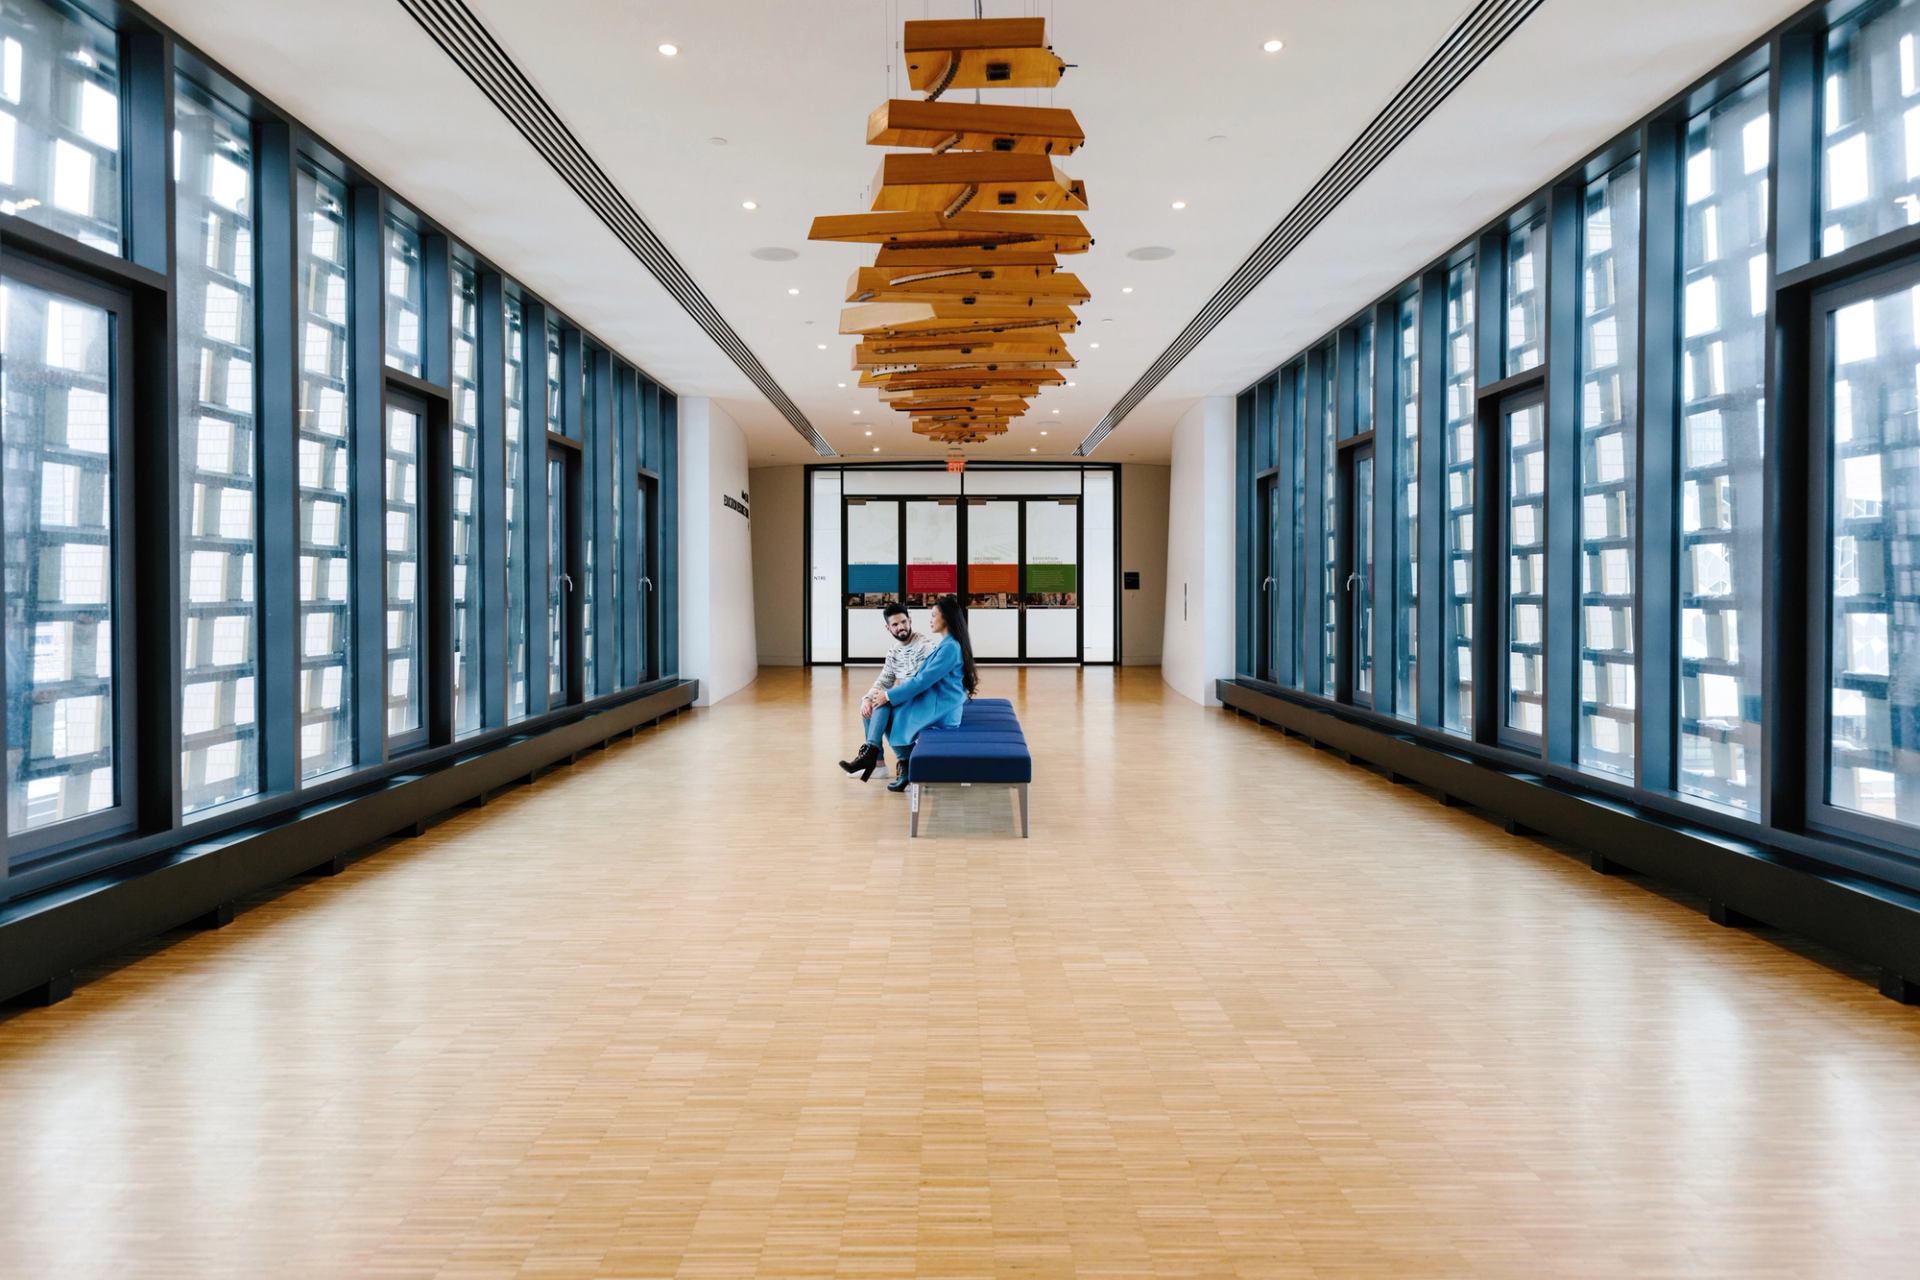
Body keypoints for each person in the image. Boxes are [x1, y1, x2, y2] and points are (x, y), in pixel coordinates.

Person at [870, 594, 978, 793]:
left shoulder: (949, 648)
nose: (930, 620)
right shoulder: (949, 644)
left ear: (945, 618)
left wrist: (888, 695)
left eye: (933, 615)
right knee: (884, 708)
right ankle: (891, 761)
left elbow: (922, 681)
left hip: (943, 709)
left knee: (889, 711)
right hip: (940, 700)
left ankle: (905, 767)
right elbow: (921, 680)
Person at [838, 602, 936, 782]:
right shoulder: (894, 651)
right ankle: (878, 763)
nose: (901, 627)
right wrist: (868, 698)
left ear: (910, 620)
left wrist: (888, 696)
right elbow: (884, 679)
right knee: (869, 701)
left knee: (884, 703)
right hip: (905, 698)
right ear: (888, 627)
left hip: (924, 700)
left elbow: (920, 683)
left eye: (904, 622)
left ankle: (883, 758)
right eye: (895, 625)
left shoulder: (924, 646)